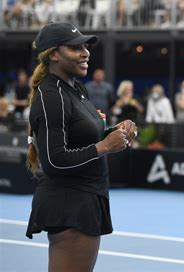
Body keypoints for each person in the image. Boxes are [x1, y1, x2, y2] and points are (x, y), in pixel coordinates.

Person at [25, 22, 138, 271]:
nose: (85, 52)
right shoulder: (51, 95)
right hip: (69, 206)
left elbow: (84, 137)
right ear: (54, 54)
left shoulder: (76, 88)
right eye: (76, 47)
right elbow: (55, 161)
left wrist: (115, 132)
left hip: (85, 201)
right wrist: (104, 147)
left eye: (85, 46)